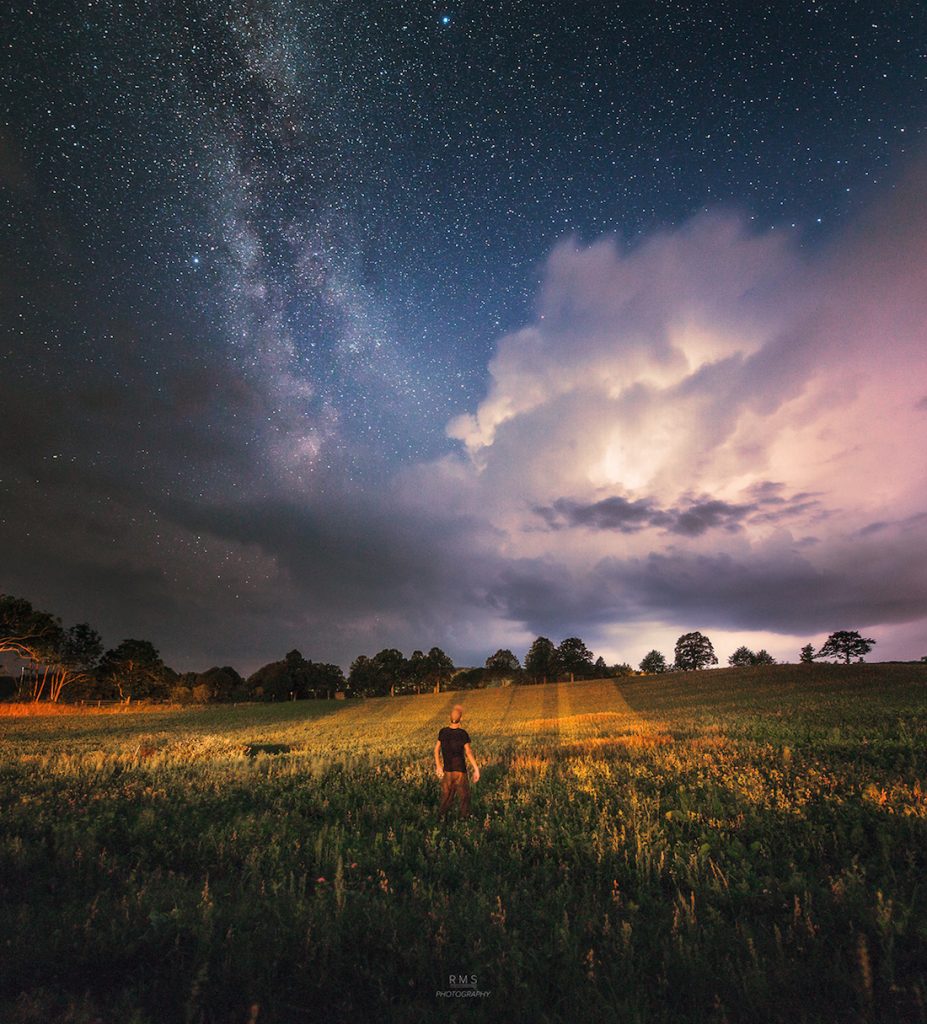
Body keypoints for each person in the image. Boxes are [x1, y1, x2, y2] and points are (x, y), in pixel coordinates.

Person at [434, 704, 479, 818]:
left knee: (446, 798)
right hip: (460, 771)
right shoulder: (463, 733)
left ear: (449, 718)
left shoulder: (443, 732)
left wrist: (438, 766)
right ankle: (465, 821)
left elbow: (436, 750)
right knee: (464, 798)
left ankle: (441, 820)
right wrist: (476, 769)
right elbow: (468, 752)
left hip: (447, 771)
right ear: (461, 719)